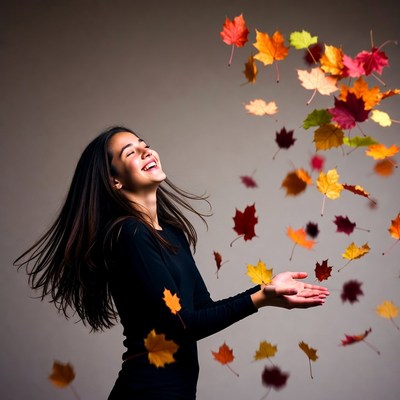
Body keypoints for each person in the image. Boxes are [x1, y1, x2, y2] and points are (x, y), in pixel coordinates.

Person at [14, 126, 329, 399]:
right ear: (115, 182)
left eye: (143, 144)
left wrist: (268, 292)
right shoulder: (130, 234)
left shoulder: (171, 233)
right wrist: (261, 297)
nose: (146, 151)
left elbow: (200, 310)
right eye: (131, 153)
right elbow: (182, 327)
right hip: (149, 391)